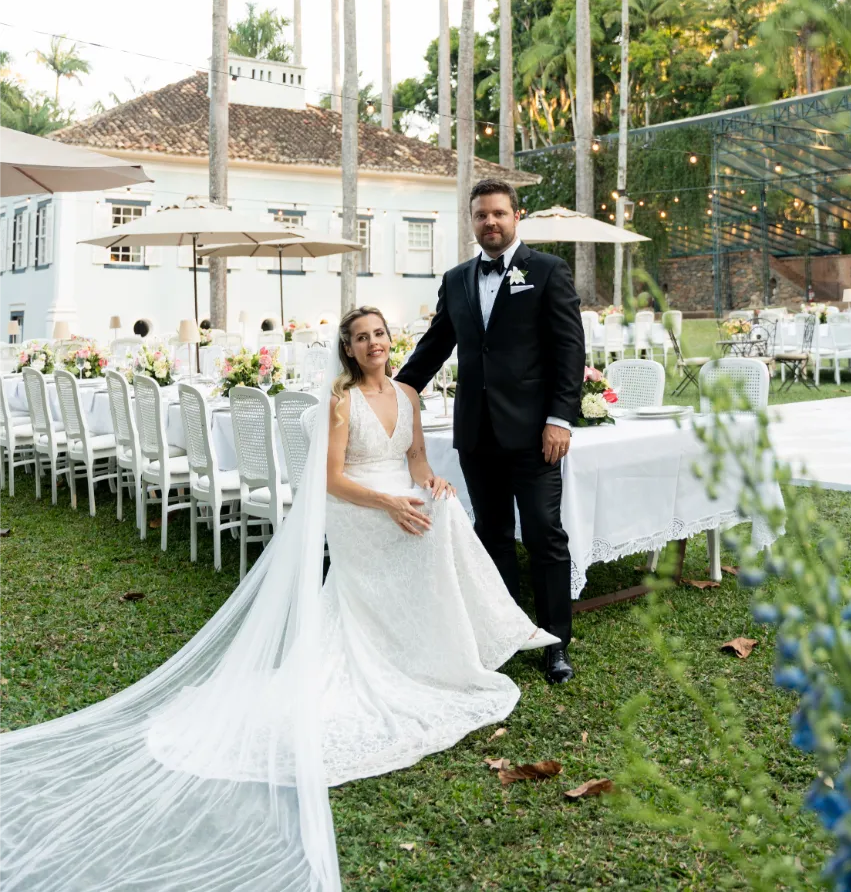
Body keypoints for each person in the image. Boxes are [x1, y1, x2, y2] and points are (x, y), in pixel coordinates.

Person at [0, 305, 555, 892]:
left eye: (380, 335)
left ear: (393, 341)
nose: (373, 344)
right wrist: (390, 503)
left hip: (400, 495)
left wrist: (428, 482)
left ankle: (457, 638)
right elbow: (329, 479)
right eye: (362, 338)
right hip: (358, 507)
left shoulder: (408, 395)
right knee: (419, 524)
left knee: (444, 512)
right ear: (348, 348)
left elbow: (415, 457)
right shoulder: (342, 401)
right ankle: (426, 639)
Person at [397, 179, 584, 684]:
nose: (490, 222)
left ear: (516, 216)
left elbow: (570, 351)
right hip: (477, 435)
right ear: (472, 220)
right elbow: (434, 347)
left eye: (499, 213)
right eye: (481, 215)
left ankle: (555, 642)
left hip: (534, 435)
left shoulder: (547, 272)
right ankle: (506, 632)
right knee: (493, 535)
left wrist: (559, 419)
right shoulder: (457, 279)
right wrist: (390, 394)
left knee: (545, 535)